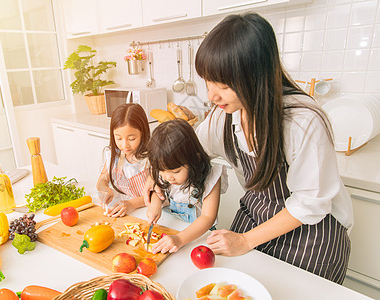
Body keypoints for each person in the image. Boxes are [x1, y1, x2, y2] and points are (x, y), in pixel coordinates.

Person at [189, 13, 353, 284]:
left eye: (224, 85)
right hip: (254, 218)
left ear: (256, 78)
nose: (211, 96)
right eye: (208, 81)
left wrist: (245, 241)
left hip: (310, 238)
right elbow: (193, 152)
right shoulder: (224, 115)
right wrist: (155, 175)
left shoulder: (301, 122)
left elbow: (309, 204)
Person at [146, 119, 227, 254]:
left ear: (194, 159)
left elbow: (208, 217)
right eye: (161, 171)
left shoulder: (211, 177)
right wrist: (155, 204)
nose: (168, 177)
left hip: (198, 239)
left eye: (176, 171)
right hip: (171, 230)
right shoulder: (165, 170)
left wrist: (179, 239)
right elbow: (159, 191)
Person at [96, 103, 150, 217]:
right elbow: (102, 180)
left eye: (131, 139)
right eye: (118, 138)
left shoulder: (150, 158)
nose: (125, 145)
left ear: (143, 133)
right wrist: (105, 190)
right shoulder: (113, 155)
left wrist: (131, 204)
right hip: (123, 209)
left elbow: (159, 195)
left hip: (147, 211)